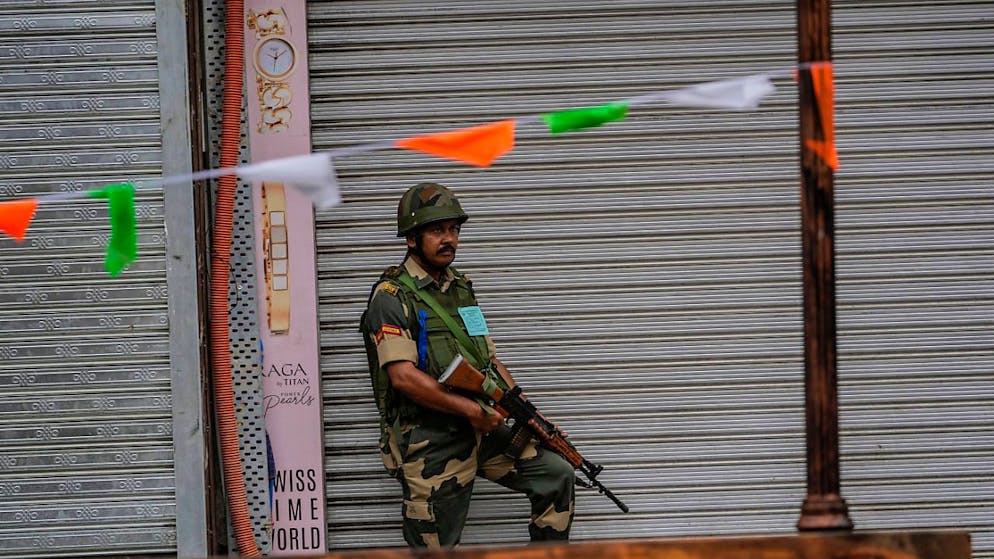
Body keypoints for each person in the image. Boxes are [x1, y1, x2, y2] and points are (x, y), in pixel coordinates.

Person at [360, 182, 575, 548]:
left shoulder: (461, 288)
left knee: (556, 473)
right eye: (437, 230)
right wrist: (472, 411)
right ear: (412, 238)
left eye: (454, 229)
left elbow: (489, 360)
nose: (449, 239)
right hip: (431, 442)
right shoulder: (391, 297)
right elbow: (403, 378)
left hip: (481, 432)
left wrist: (529, 414)